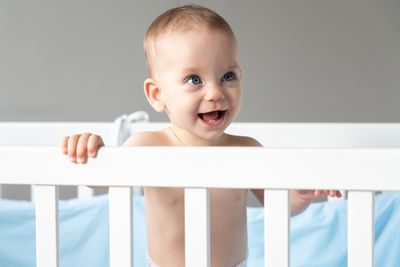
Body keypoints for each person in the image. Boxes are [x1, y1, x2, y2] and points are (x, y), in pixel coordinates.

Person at [61, 5, 341, 267]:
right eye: (194, 80)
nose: (216, 92)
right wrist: (91, 150)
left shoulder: (246, 151)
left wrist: (302, 194)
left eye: (228, 76)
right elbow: (100, 179)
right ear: (157, 95)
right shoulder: (147, 147)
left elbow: (281, 204)